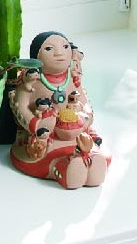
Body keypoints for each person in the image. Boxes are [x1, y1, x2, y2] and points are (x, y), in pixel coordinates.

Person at [9, 30, 110, 189]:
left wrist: (86, 115)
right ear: (36, 57)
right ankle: (66, 169)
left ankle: (91, 162)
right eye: (49, 49)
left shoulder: (72, 76)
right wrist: (36, 124)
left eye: (64, 47)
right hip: (47, 134)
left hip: (75, 130)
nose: (59, 53)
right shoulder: (32, 79)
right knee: (48, 157)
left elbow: (83, 100)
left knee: (87, 144)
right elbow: (21, 106)